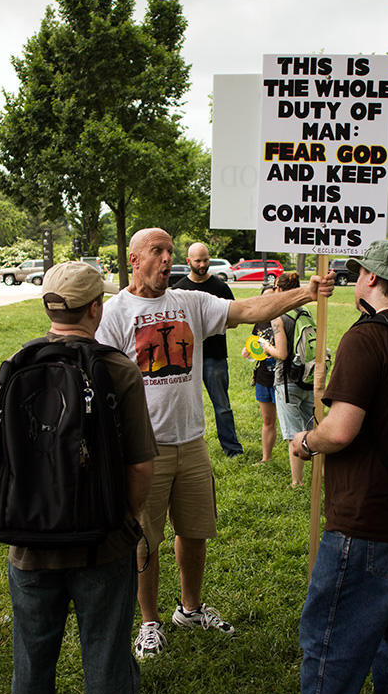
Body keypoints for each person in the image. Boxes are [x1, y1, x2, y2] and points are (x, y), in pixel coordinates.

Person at [95, 228, 335, 660]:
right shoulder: (114, 313)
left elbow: (248, 308)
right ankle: (149, 623)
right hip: (142, 450)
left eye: (171, 251)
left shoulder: (190, 302)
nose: (168, 258)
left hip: (191, 442)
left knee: (195, 532)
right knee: (145, 540)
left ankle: (189, 608)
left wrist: (304, 293)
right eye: (158, 251)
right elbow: (100, 381)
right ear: (133, 259)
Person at [254, 240, 388, 694]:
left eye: (358, 271)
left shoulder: (368, 337)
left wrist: (303, 441)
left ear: (369, 278)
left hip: (368, 517)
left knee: (331, 634)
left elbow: (340, 430)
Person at [3, 261, 158, 694]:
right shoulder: (118, 369)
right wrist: (126, 520)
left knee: (31, 660)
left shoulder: (17, 362)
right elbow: (140, 467)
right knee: (107, 657)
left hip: (28, 542)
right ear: (96, 308)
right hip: (101, 542)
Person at [172, 241, 243, 457]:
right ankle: (182, 448)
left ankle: (232, 450)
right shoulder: (179, 289)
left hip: (214, 356)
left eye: (205, 260)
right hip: (186, 359)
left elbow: (234, 320)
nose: (202, 265)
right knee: (182, 407)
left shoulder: (220, 287)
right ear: (188, 261)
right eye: (198, 261)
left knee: (222, 406)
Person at [258, 272, 313, 487]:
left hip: (287, 381)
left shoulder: (280, 316)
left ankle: (297, 482)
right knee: (313, 429)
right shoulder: (305, 311)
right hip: (308, 376)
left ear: (279, 290)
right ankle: (324, 472)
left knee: (294, 434)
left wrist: (266, 347)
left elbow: (281, 353)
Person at [241, 284, 277, 463]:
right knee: (267, 420)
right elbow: (255, 343)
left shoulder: (285, 319)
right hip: (263, 376)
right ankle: (266, 458)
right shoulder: (260, 320)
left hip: (282, 378)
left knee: (288, 422)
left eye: (272, 296)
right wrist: (247, 350)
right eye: (264, 297)